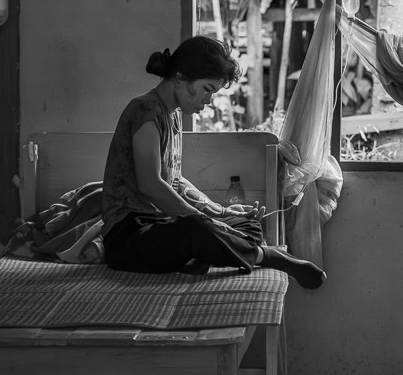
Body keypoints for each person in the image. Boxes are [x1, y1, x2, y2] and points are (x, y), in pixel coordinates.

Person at [101, 35, 326, 290]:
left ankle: (202, 254)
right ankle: (269, 257)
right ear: (180, 77)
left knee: (246, 224)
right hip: (130, 237)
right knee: (196, 228)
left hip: (162, 226)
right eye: (207, 89)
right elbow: (151, 185)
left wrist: (220, 212)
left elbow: (175, 181)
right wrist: (205, 220)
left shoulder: (172, 117)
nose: (207, 101)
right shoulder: (145, 110)